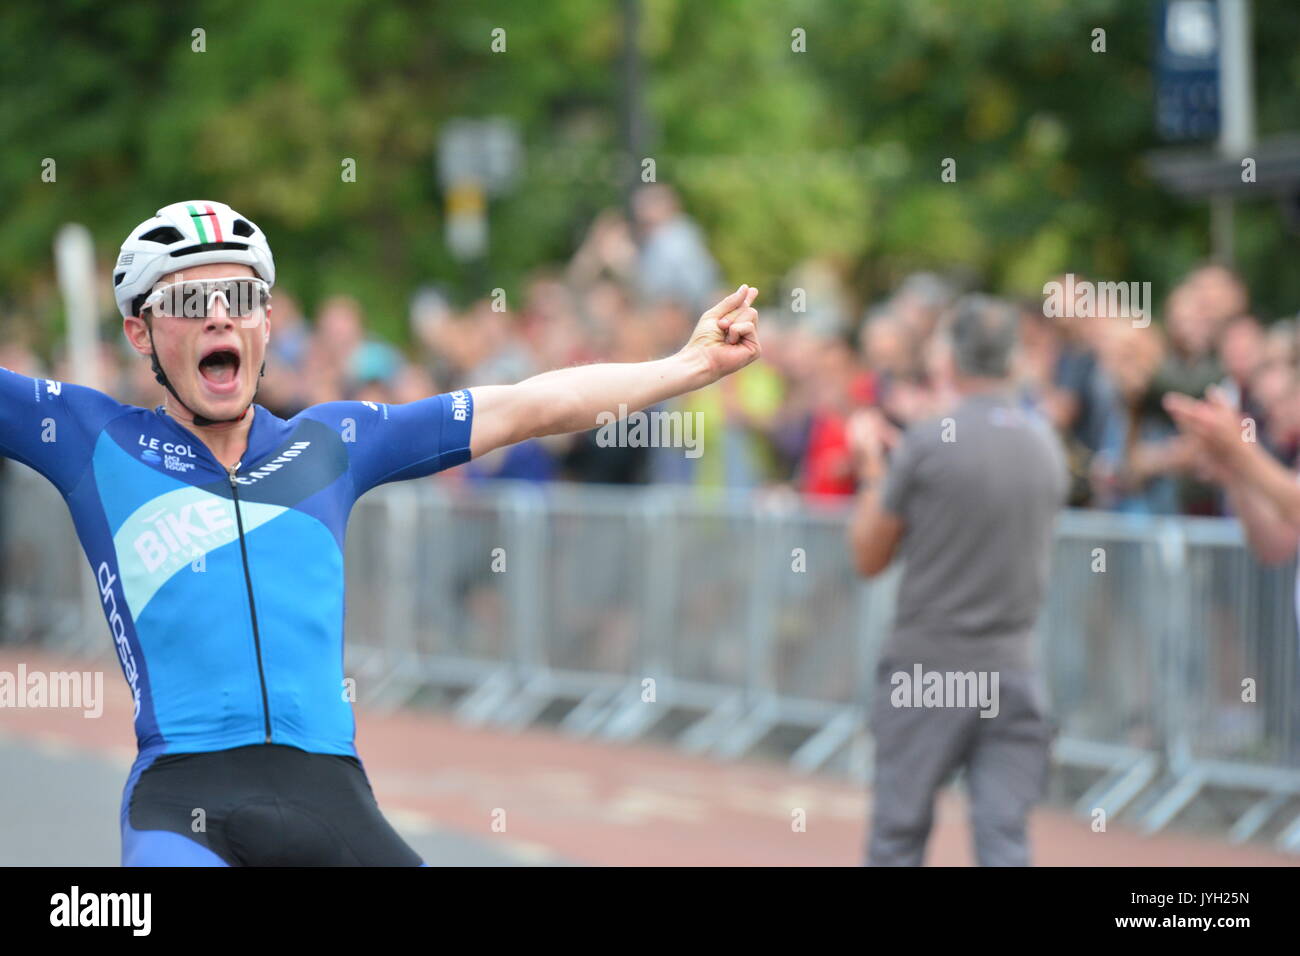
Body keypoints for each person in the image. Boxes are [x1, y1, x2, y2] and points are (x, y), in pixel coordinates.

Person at [0, 200, 761, 866]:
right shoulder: (92, 439)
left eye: (239, 295)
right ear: (139, 331)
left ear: (267, 321)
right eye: (190, 300)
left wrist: (685, 366)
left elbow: (529, 404)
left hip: (331, 799)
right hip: (183, 802)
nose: (218, 315)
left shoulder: (331, 442)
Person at [847, 295, 1068, 866]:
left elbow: (869, 555)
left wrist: (874, 471)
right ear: (1013, 360)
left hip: (928, 664)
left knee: (899, 834)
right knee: (1004, 839)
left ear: (948, 359)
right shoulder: (1044, 444)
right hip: (1013, 668)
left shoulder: (927, 440)